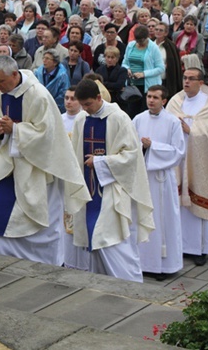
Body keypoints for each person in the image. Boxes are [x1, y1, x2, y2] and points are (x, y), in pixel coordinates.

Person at [0, 56, 89, 266]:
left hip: (37, 166)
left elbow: (47, 135)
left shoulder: (38, 95)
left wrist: (15, 130)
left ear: (15, 75)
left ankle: (43, 262)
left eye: (1, 82)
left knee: (38, 216)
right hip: (6, 161)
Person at [63, 79, 154, 282]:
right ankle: (102, 281)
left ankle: (131, 282)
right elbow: (75, 153)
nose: (85, 109)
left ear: (98, 97)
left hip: (111, 189)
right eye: (82, 105)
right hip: (88, 189)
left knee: (110, 238)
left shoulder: (119, 118)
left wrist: (101, 162)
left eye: (88, 104)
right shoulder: (81, 119)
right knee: (93, 239)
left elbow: (132, 155)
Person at [167, 67, 208, 266]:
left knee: (198, 203)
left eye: (191, 79)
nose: (186, 82)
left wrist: (192, 130)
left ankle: (201, 249)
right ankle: (181, 246)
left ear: (201, 82)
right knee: (180, 206)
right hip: (179, 161)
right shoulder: (175, 101)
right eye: (185, 78)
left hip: (201, 161)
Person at [132, 85, 186, 280]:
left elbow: (178, 151)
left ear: (164, 101)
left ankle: (163, 266)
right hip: (144, 178)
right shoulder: (138, 119)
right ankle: (143, 262)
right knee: (141, 218)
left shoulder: (172, 122)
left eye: (155, 97)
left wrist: (152, 146)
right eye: (149, 96)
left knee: (163, 221)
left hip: (162, 180)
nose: (151, 100)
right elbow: (130, 145)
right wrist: (142, 147)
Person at [34, 48, 70, 113]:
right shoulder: (38, 72)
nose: (44, 60)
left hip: (55, 108)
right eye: (43, 58)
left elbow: (63, 94)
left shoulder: (62, 75)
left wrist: (50, 106)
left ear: (55, 62)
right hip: (39, 106)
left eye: (47, 59)